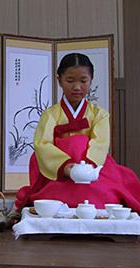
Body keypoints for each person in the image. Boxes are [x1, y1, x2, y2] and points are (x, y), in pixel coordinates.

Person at [14, 53, 140, 212]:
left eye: (83, 81)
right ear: (59, 80)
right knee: (48, 200)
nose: (77, 87)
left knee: (108, 196)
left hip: (91, 169)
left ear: (91, 80)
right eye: (70, 80)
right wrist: (67, 167)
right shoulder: (51, 115)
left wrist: (87, 169)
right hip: (59, 171)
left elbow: (100, 143)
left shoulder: (99, 114)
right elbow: (42, 144)